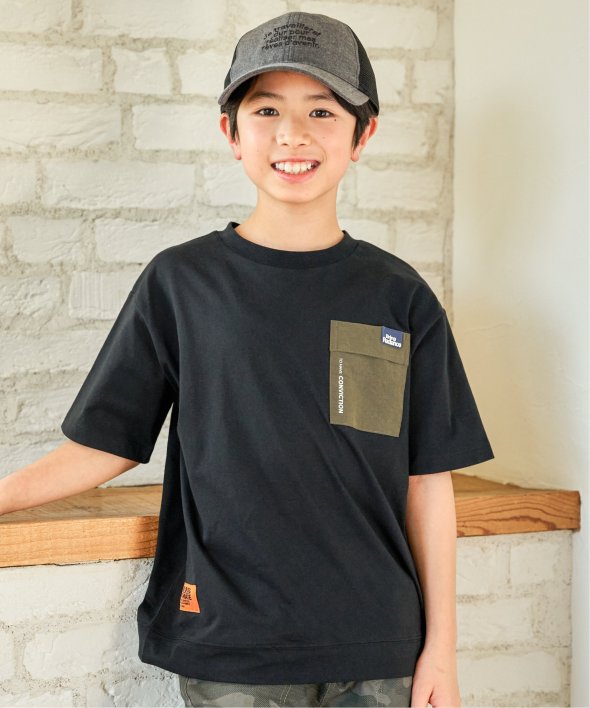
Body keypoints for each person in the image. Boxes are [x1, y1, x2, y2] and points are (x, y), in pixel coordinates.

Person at [0, 11, 494, 708]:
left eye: (321, 110)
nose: (293, 133)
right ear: (231, 133)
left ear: (363, 135)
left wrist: (441, 646)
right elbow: (106, 444)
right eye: (267, 110)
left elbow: (427, 482)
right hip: (230, 646)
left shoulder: (400, 296)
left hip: (381, 646)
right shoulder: (181, 283)